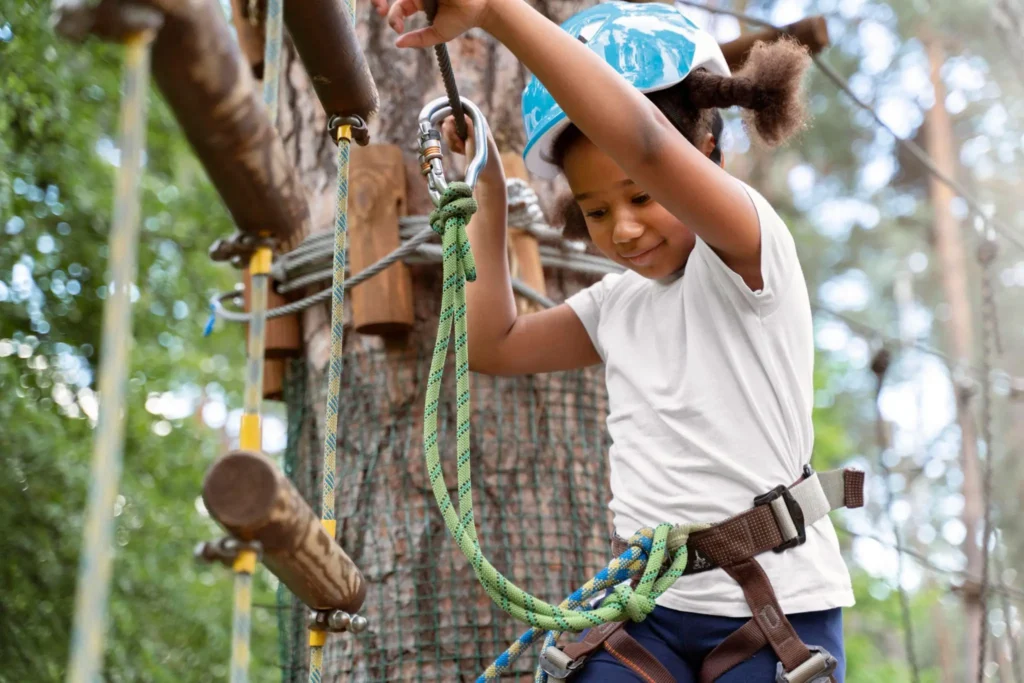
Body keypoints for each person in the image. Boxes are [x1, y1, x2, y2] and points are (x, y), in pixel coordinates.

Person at [371, 0, 857, 680]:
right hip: (651, 609)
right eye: (595, 210)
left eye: (640, 197)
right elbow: (496, 342)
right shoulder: (617, 305)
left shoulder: (751, 254)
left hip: (776, 608)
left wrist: (496, 13)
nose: (622, 229)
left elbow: (647, 144)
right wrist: (484, 183)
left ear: (708, 150)